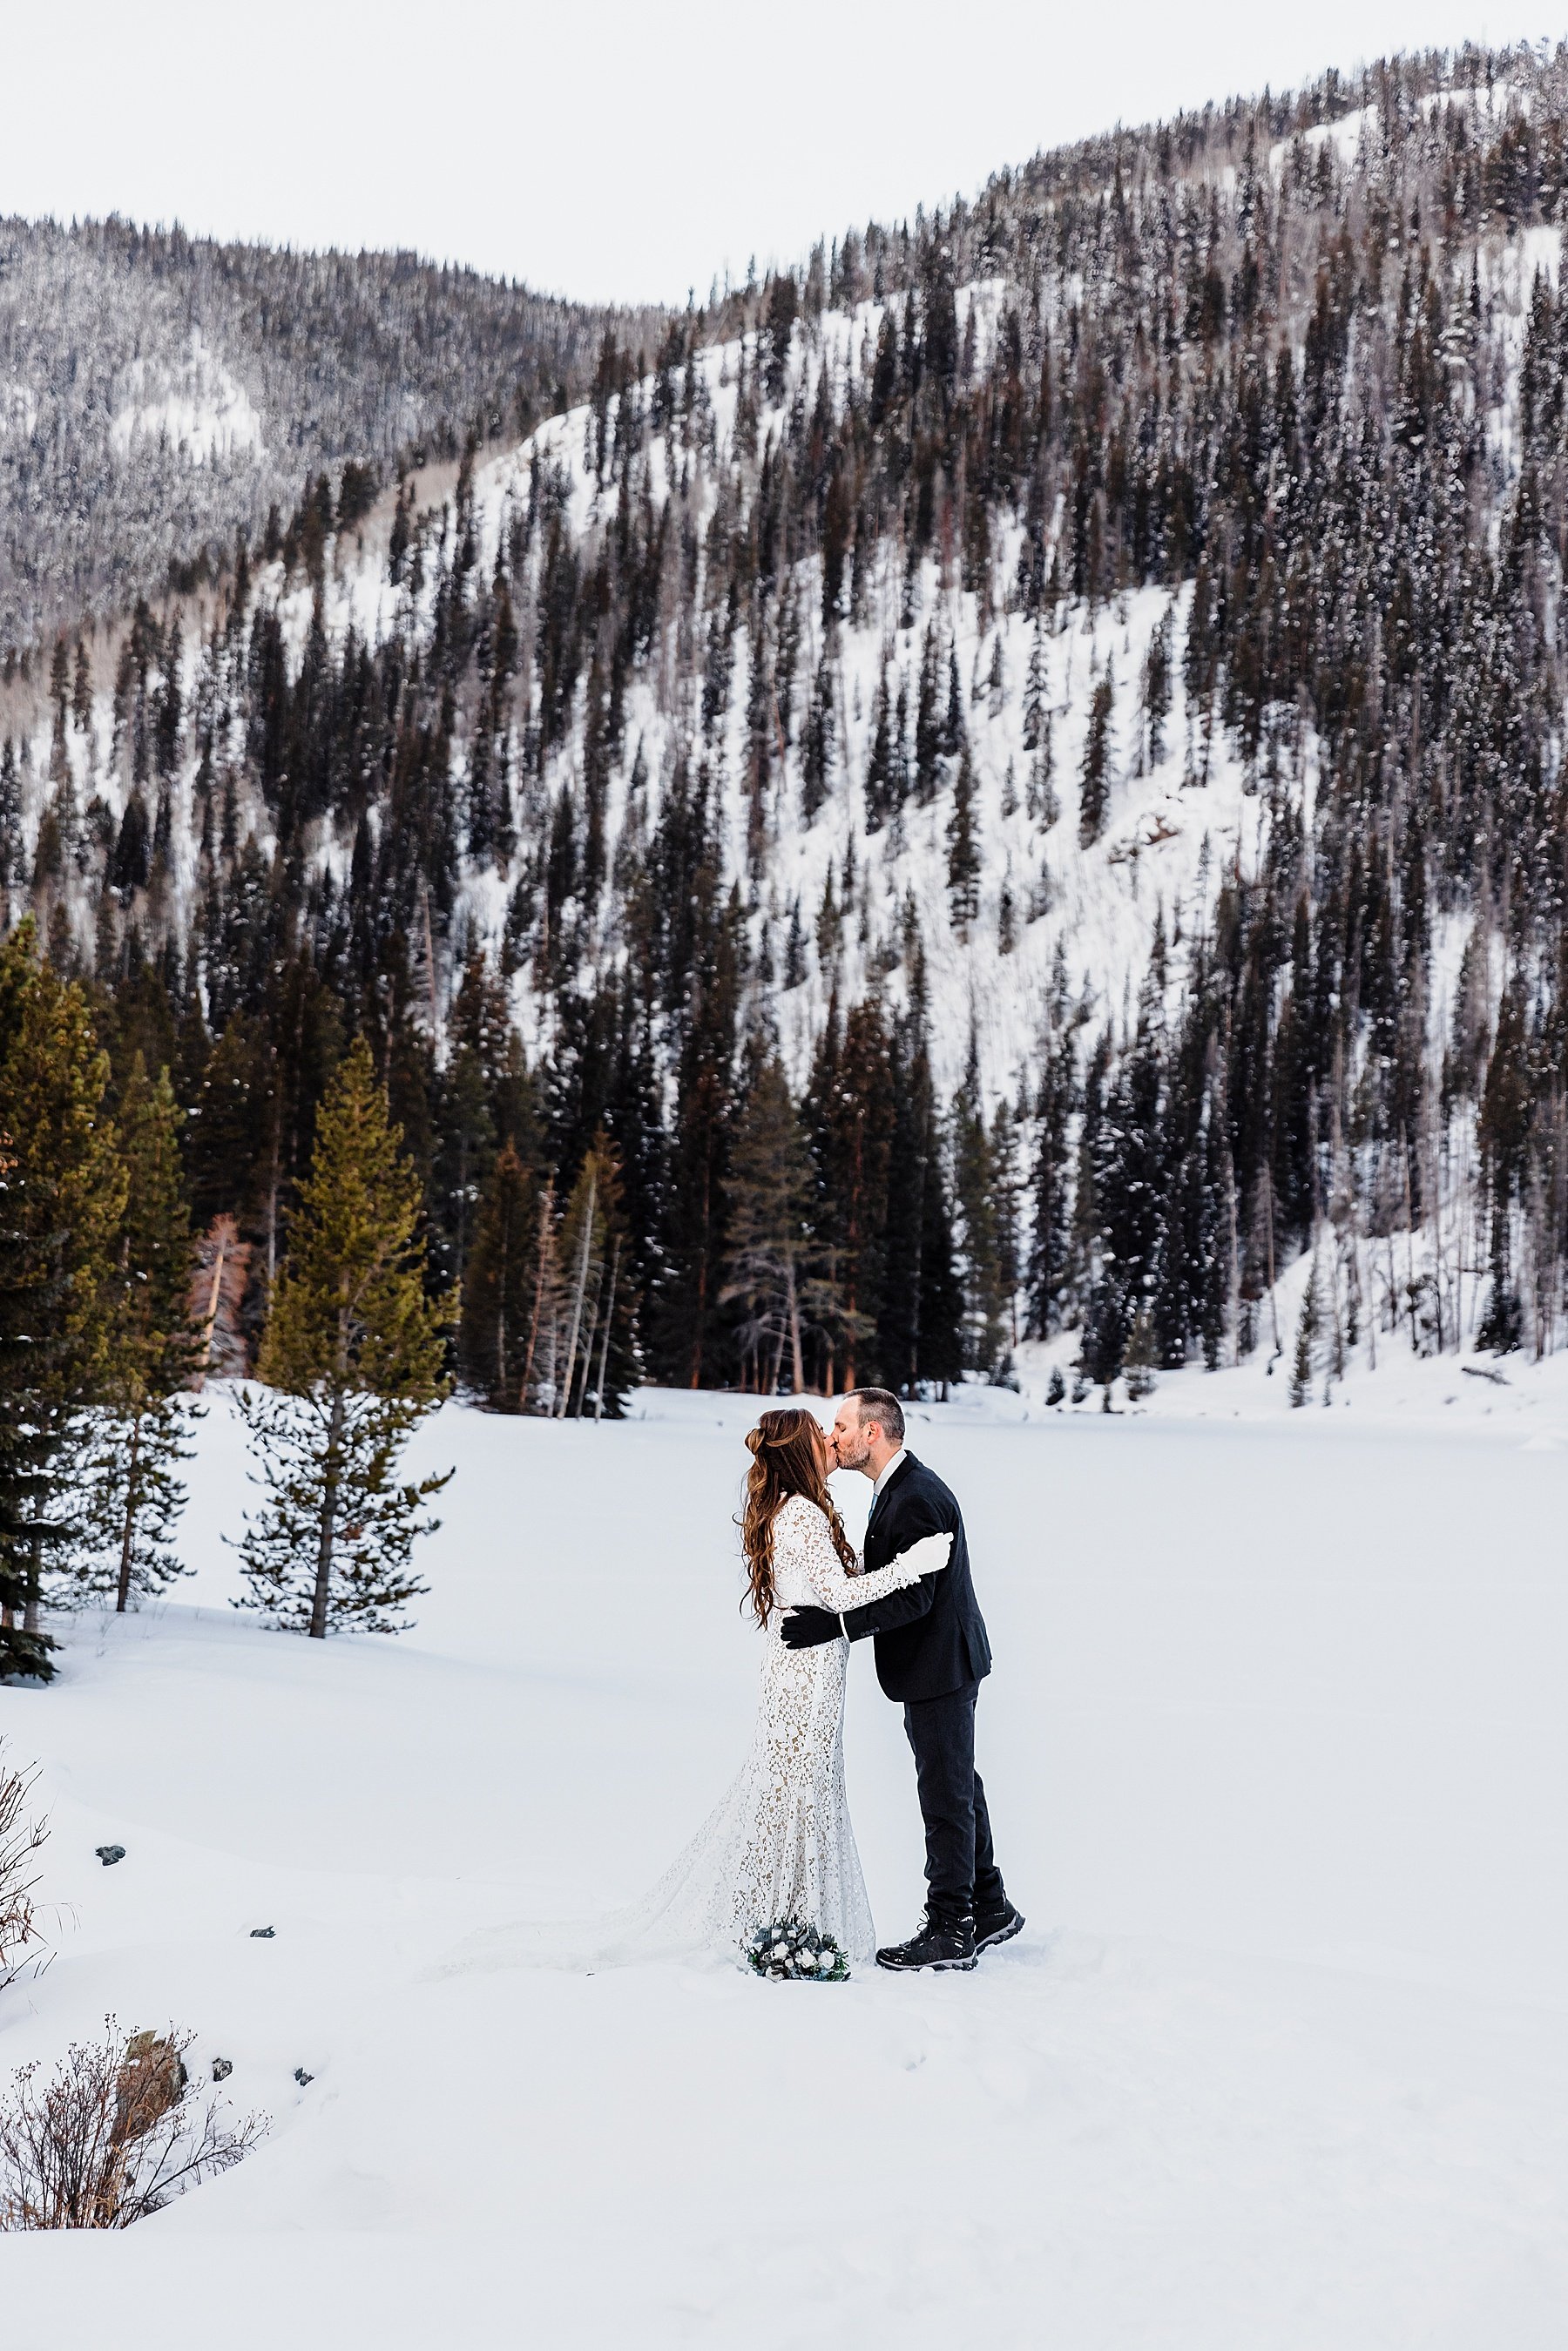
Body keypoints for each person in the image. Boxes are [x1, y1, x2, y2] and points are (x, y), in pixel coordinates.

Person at [781, 1388, 1023, 1973]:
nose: (832, 1434)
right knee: (957, 1782)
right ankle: (988, 1905)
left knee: (945, 1795)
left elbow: (915, 1595)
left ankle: (951, 1927)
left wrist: (836, 1623)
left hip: (940, 1664)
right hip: (940, 1663)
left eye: (840, 1424)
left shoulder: (916, 1496)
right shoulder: (899, 1488)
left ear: (872, 1432)